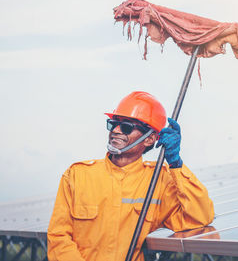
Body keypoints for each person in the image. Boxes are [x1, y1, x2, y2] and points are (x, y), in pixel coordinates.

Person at [47, 91, 214, 261]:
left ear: (150, 139)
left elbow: (200, 217)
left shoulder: (158, 180)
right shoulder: (77, 175)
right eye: (113, 124)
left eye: (126, 126)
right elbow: (58, 237)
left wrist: (176, 164)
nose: (116, 131)